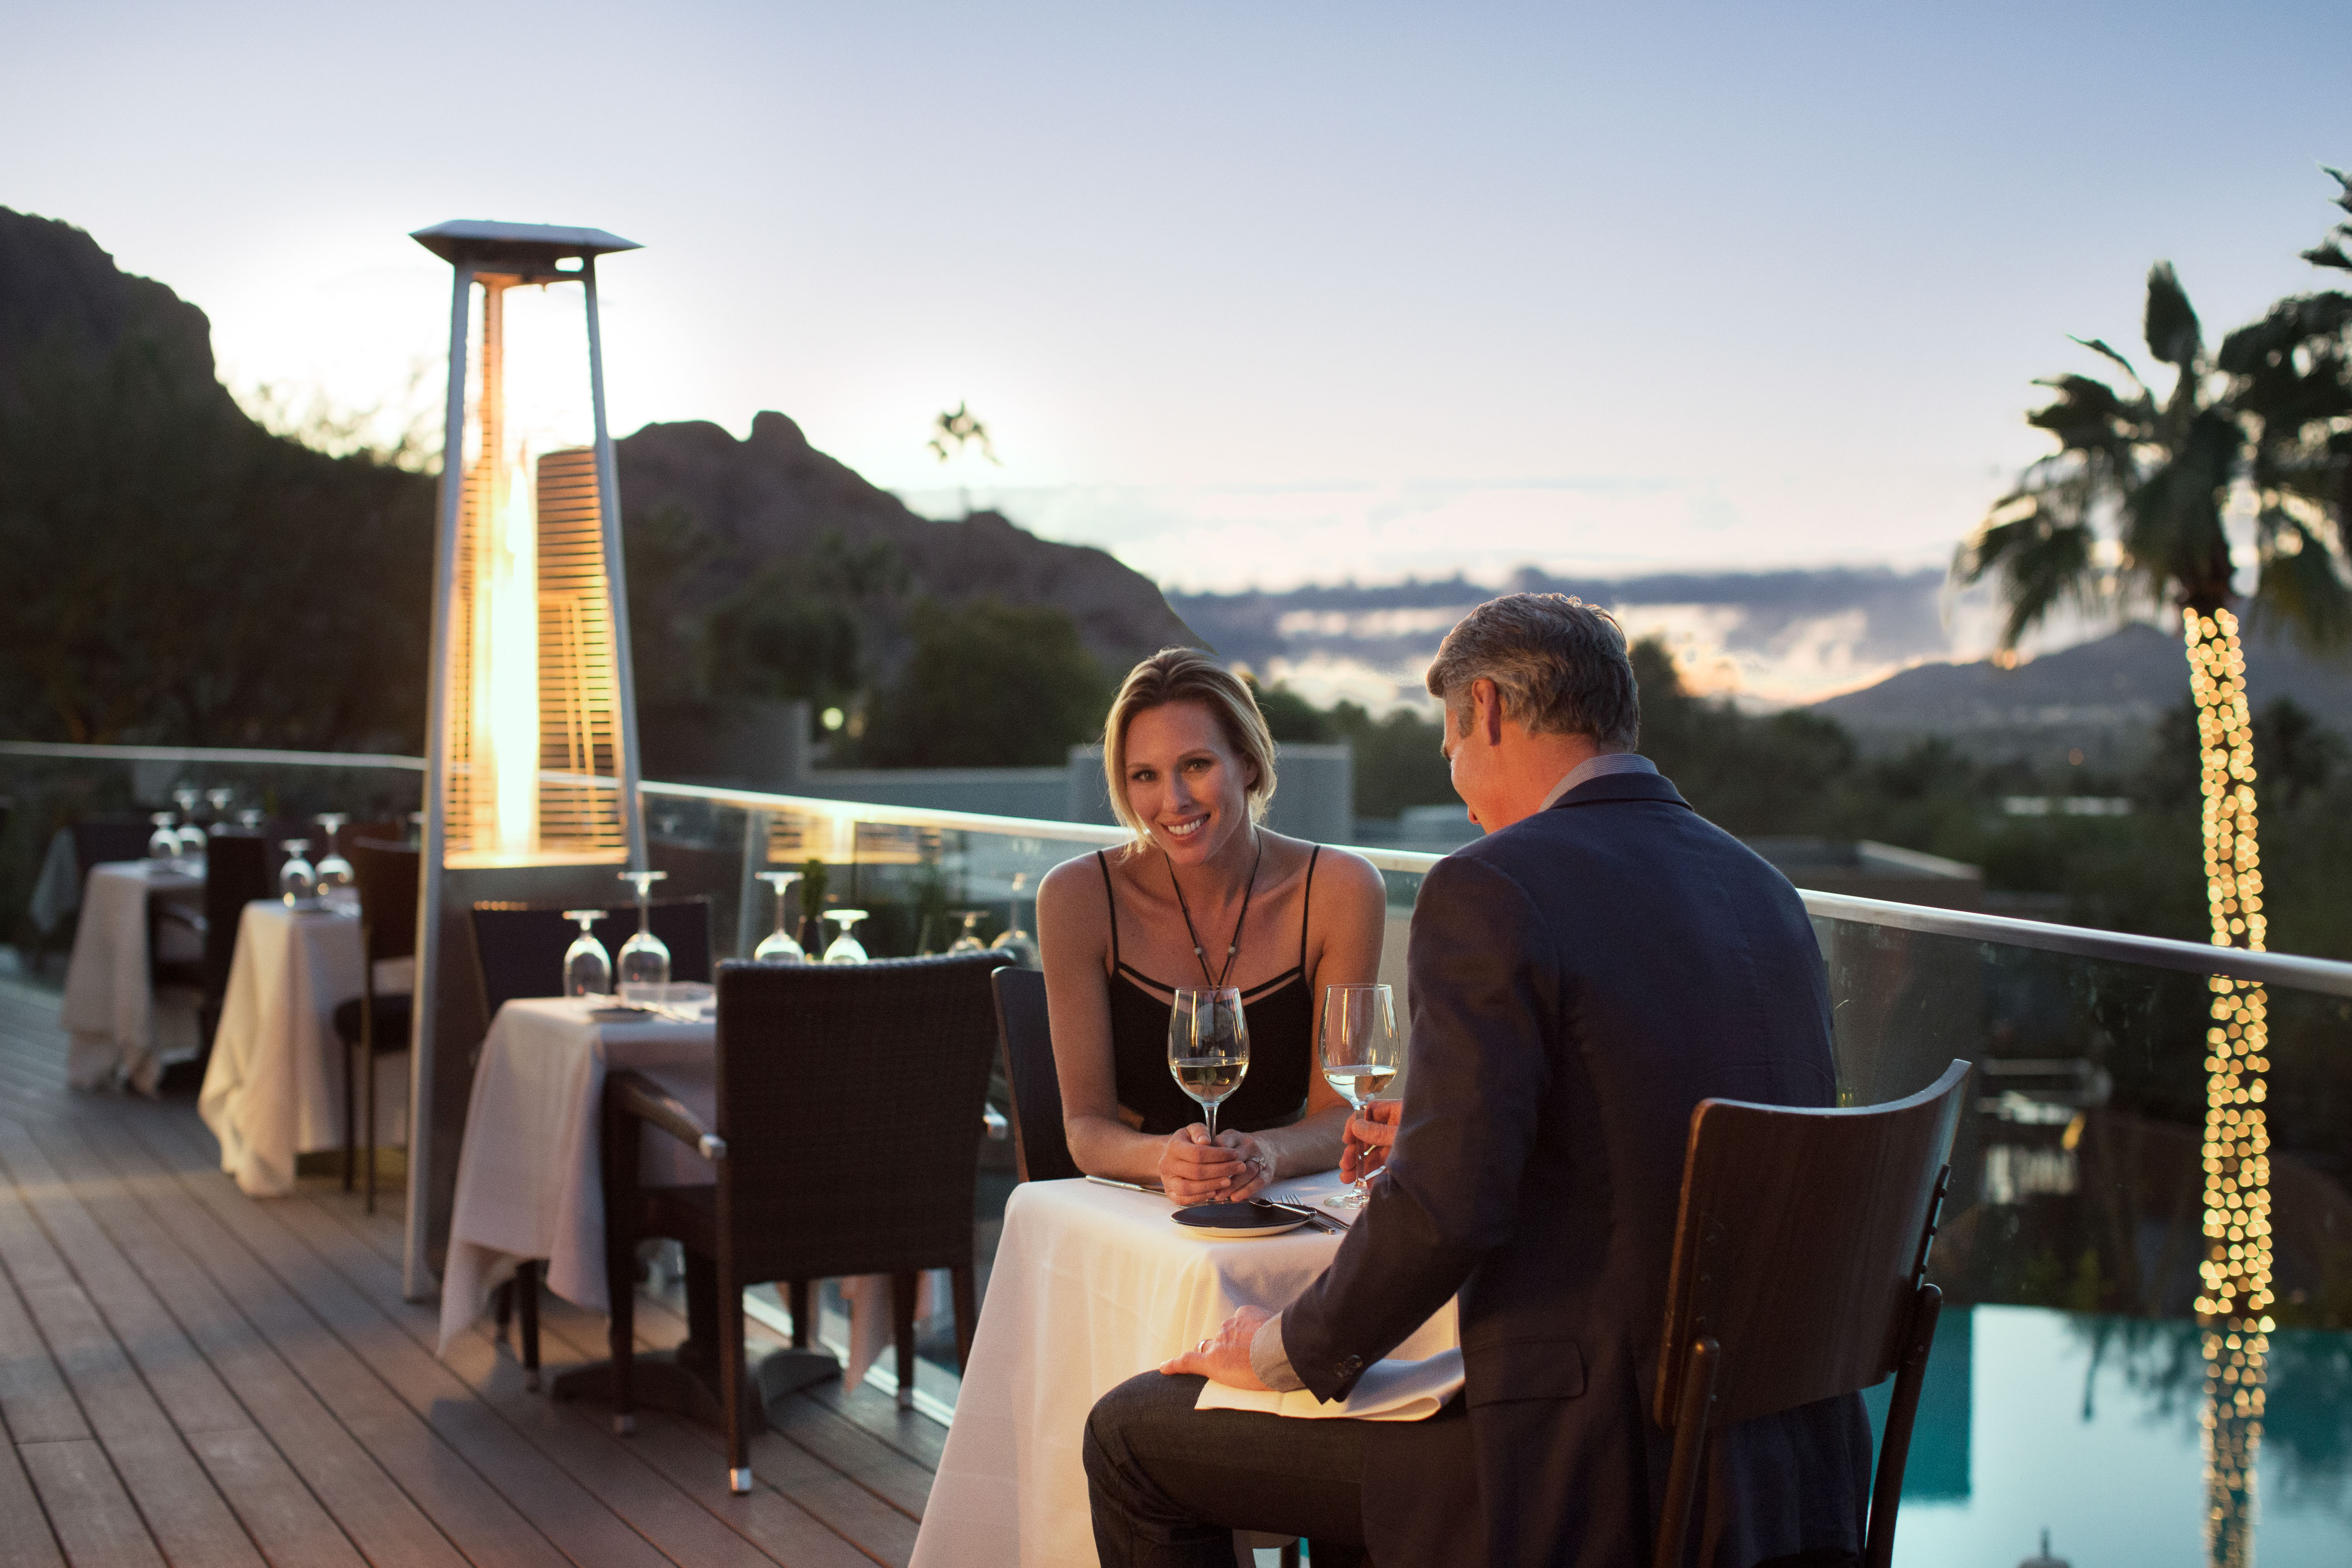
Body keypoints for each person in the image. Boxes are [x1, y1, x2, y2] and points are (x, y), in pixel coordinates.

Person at [1082, 596, 1872, 1568]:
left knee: (1130, 1435)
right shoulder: (1765, 892)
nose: (1458, 787)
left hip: (1579, 1470)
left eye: (1451, 745)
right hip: (1787, 1475)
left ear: (1487, 711)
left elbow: (1447, 1211)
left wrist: (1286, 1349)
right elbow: (1670, 1120)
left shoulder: (1491, 886)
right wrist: (1450, 1126)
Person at [1036, 648, 1387, 1205]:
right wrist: (1167, 1160)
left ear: (1248, 763)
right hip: (1136, 1206)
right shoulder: (1076, 898)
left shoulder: (1340, 890)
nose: (1173, 800)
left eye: (1197, 765)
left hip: (1284, 1201)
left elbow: (1339, 1110)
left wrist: (1269, 1155)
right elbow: (1086, 1129)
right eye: (1145, 776)